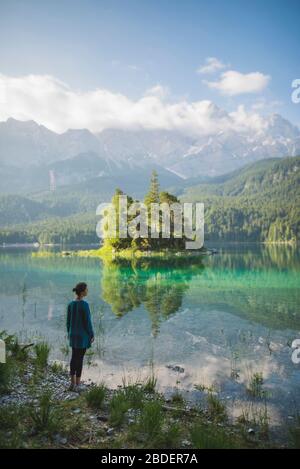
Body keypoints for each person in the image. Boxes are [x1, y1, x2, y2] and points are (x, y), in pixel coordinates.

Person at [67, 282, 94, 392]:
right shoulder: (84, 305)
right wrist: (91, 334)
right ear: (82, 292)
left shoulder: (70, 304)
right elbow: (87, 322)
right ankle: (78, 384)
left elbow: (68, 322)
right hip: (82, 336)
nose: (87, 291)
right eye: (87, 290)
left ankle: (72, 383)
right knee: (80, 359)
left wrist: (69, 333)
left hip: (73, 335)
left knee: (74, 357)